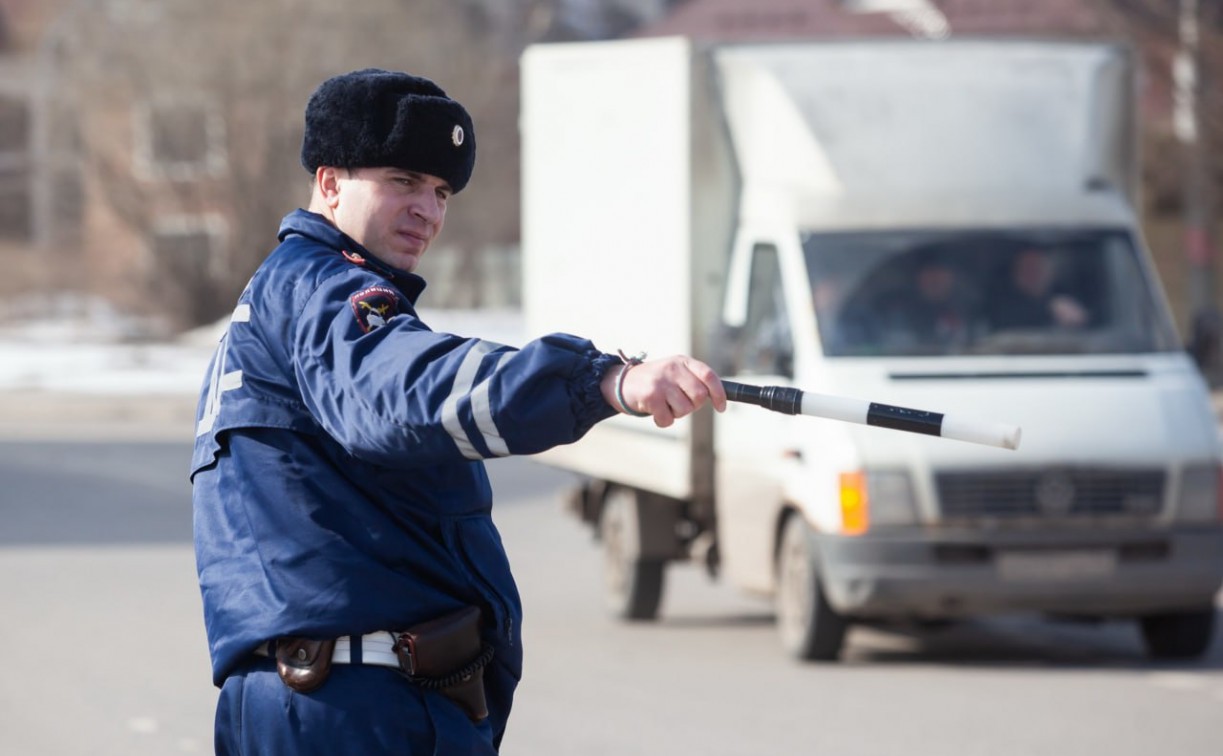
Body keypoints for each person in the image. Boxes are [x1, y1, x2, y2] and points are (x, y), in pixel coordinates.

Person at [190, 68, 726, 755]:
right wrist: (601, 381)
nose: (428, 210)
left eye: (441, 191)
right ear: (328, 183)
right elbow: (408, 389)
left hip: (319, 701)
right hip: (357, 707)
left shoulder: (281, 302)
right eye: (403, 181)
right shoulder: (324, 293)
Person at [988, 247, 1089, 330]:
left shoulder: (1070, 294)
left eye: (1038, 268)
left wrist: (1078, 318)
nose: (1033, 275)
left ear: (1051, 272)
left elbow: (1094, 325)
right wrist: (1048, 309)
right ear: (1015, 274)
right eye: (1027, 269)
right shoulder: (1002, 303)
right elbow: (1008, 325)